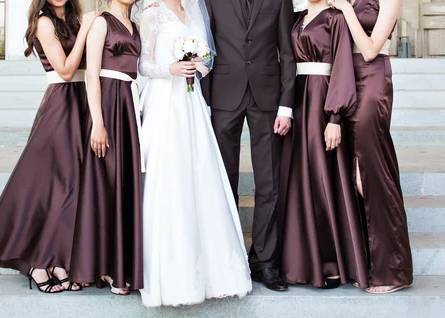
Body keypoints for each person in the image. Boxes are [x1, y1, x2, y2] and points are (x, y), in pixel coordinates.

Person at [136, 0, 252, 307]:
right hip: (165, 102)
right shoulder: (151, 12)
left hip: (190, 102)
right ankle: (168, 272)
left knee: (200, 175)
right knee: (169, 177)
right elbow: (142, 64)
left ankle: (213, 273)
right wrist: (171, 69)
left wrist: (198, 64)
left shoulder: (194, 11)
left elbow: (207, 59)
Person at [0, 0, 98, 293]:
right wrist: (86, 31)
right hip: (61, 104)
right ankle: (38, 263)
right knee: (63, 185)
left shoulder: (72, 18)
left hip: (82, 101)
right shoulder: (44, 22)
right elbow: (67, 70)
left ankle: (57, 261)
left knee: (70, 187)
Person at [202, 0, 296, 292]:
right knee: (223, 181)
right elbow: (205, 48)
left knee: (269, 183)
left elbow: (287, 53)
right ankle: (227, 257)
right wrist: (204, 104)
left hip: (267, 96)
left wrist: (286, 106)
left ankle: (265, 262)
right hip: (222, 95)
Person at [278, 2, 369, 289]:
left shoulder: (336, 18)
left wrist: (335, 117)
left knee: (321, 180)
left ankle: (329, 262)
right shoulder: (297, 18)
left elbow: (343, 64)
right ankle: (301, 262)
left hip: (322, 99)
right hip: (298, 98)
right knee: (299, 180)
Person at [330, 0, 414, 294]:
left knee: (371, 173)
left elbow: (369, 49)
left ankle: (392, 270)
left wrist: (345, 8)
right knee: (352, 175)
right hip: (344, 80)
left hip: (372, 78)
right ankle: (363, 264)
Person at [69, 0, 143, 295]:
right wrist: (97, 122)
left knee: (125, 184)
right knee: (107, 183)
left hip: (129, 105)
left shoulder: (137, 27)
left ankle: (123, 265)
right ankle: (107, 267)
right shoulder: (101, 22)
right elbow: (92, 74)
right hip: (109, 107)